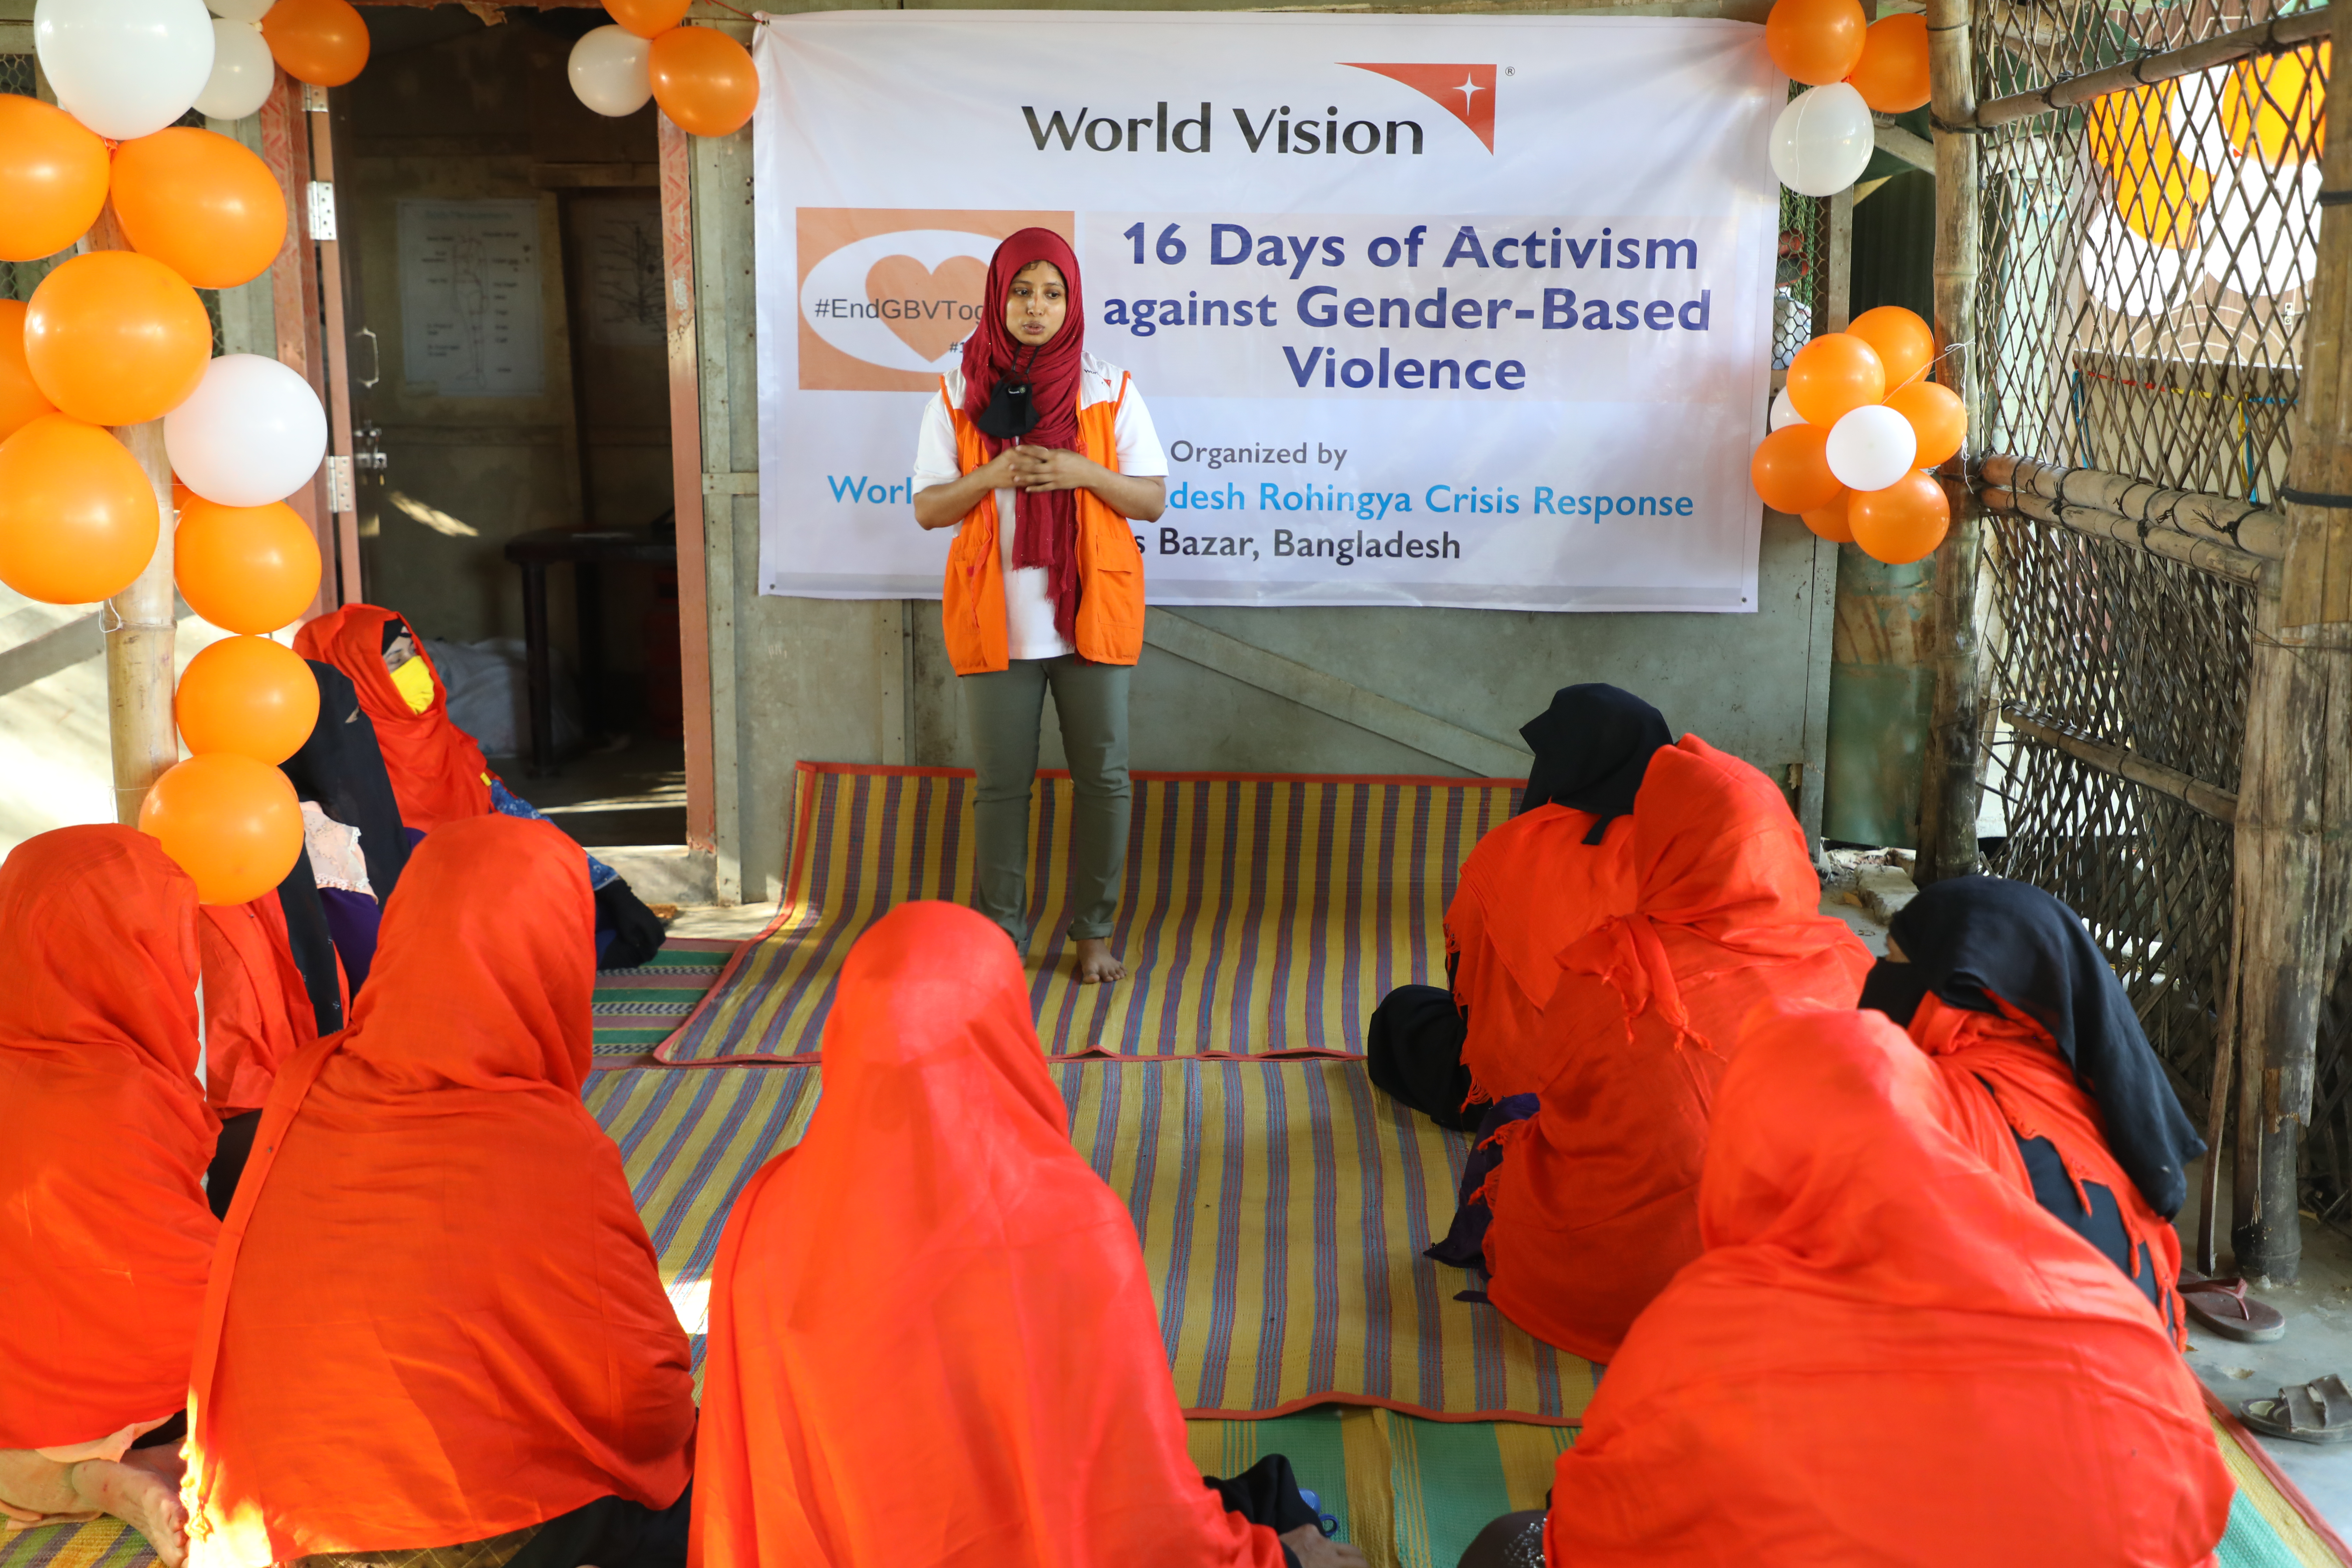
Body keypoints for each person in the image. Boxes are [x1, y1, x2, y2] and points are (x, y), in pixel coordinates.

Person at [690, 901, 1364, 1568]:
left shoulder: (768, 1208)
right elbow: (1138, 1513)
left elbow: (749, 1482)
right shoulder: (1073, 1226)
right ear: (1006, 1029)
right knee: (1272, 1501)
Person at [1457, 1002, 2233, 1567]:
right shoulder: (2105, 1309)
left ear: (1743, 1153)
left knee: (1506, 1544)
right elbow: (2195, 1516)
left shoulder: (1700, 1333)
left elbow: (1595, 1534)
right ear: (1930, 1118)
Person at [181, 816, 697, 1568]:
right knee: (729, 1470)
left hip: (280, 1513)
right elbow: (639, 1397)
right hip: (475, 1523)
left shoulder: (306, 1081)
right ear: (556, 956)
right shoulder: (543, 1138)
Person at [1458, 736, 1872, 1363]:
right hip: (1815, 1294)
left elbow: (1559, 1093)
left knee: (1509, 1125)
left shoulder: (1616, 973)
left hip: (1636, 1292)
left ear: (1660, 845)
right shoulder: (1849, 960)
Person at [911, 228, 1167, 985]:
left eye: (1052, 292)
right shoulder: (959, 389)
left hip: (1091, 614)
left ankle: (1093, 931)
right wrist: (991, 475)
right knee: (1000, 787)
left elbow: (1150, 498)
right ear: (998, 296)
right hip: (1000, 619)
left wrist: (1081, 469)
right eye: (1021, 291)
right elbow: (929, 508)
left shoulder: (1107, 386)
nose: (1036, 307)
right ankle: (1003, 936)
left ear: (1073, 301)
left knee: (1106, 780)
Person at [1859, 875, 2210, 1343]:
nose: (1878, 973)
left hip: (2064, 1391)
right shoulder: (2066, 1082)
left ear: (1961, 986)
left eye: (1894, 959)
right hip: (2147, 1368)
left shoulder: (1941, 1108)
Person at [0, 826, 216, 1566]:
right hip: (165, 1373)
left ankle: (83, 1478)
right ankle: (170, 1451)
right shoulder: (135, 1084)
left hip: (16, 1397)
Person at [295, 605, 666, 969]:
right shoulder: (339, 767)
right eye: (395, 662)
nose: (418, 669)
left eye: (414, 653)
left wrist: (611, 887)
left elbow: (518, 816)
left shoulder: (442, 739)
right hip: (415, 918)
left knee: (557, 879)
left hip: (482, 892)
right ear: (356, 679)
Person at [1366, 685, 1671, 1129]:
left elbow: (1464, 981)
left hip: (1521, 1094)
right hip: (1660, 1092)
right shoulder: (1682, 843)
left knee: (1403, 1012)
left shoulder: (1513, 847)